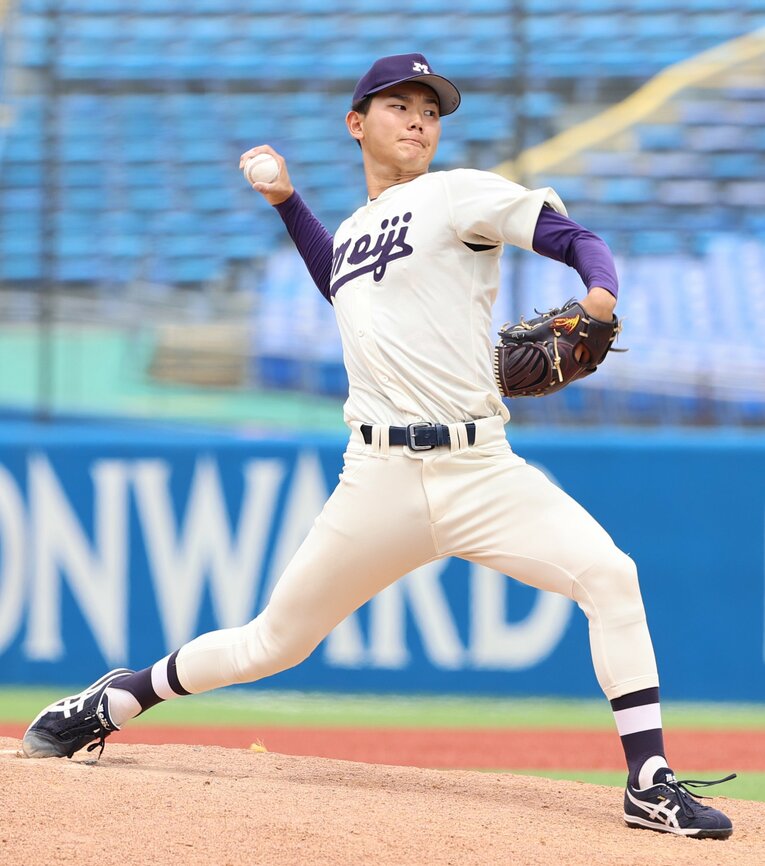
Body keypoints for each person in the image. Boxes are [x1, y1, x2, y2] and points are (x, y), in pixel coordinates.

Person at [23, 53, 734, 839]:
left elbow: (572, 237)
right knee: (272, 643)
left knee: (610, 576)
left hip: (480, 469)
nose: (420, 121)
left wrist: (598, 295)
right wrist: (286, 202)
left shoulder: (458, 193)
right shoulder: (360, 232)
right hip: (378, 478)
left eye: (430, 111)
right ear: (356, 124)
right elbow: (337, 279)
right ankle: (116, 698)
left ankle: (648, 782)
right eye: (401, 106)